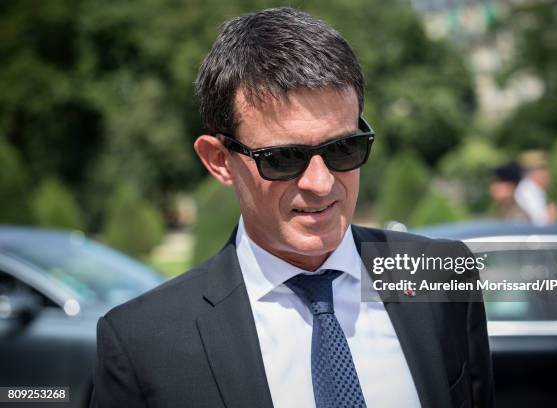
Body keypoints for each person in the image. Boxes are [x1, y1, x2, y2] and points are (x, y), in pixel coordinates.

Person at [91, 7, 494, 408]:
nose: (320, 183)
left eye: (342, 149)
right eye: (282, 159)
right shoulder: (142, 343)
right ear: (218, 160)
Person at [514, 150, 557, 226]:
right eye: (543, 169)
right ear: (535, 173)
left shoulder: (531, 189)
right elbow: (541, 224)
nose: (547, 174)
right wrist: (551, 216)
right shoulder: (528, 191)